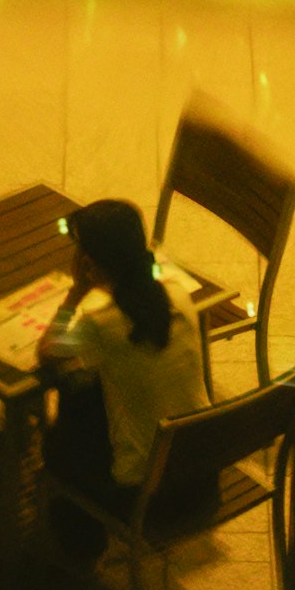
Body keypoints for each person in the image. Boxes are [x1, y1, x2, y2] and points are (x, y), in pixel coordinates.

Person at [36, 199, 210, 564]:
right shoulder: (178, 294)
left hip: (146, 495)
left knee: (66, 416)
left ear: (90, 263)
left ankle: (78, 551)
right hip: (202, 477)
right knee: (89, 387)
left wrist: (75, 293)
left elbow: (48, 351)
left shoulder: (100, 326)